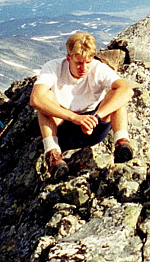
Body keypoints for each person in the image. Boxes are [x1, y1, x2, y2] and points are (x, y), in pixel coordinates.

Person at [30, 32, 135, 176]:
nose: (84, 68)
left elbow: (127, 91)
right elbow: (35, 98)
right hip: (63, 127)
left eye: (88, 62)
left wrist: (95, 118)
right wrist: (75, 118)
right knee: (45, 99)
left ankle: (121, 144)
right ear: (69, 58)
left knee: (116, 96)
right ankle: (53, 154)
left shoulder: (98, 68)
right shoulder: (53, 68)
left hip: (94, 126)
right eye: (79, 63)